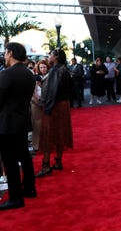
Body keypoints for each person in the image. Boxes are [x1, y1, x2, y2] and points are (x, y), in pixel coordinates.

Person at [0, 42, 37, 210]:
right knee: (24, 155)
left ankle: (15, 197)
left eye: (6, 53)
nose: (4, 56)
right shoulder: (29, 73)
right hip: (22, 120)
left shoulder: (7, 74)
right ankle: (29, 188)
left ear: (12, 53)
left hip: (7, 123)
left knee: (10, 160)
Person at [35, 49, 73, 177]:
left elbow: (52, 92)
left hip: (55, 106)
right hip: (63, 105)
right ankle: (58, 162)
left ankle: (46, 165)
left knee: (48, 135)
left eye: (50, 55)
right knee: (60, 133)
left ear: (55, 57)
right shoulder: (63, 69)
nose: (48, 57)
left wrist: (47, 108)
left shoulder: (56, 70)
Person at [30, 59, 50, 154]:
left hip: (47, 104)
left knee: (47, 126)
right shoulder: (34, 78)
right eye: (41, 67)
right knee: (36, 126)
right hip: (36, 103)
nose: (43, 69)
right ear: (38, 68)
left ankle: (47, 145)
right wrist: (38, 100)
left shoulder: (50, 78)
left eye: (44, 67)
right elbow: (32, 93)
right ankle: (36, 145)